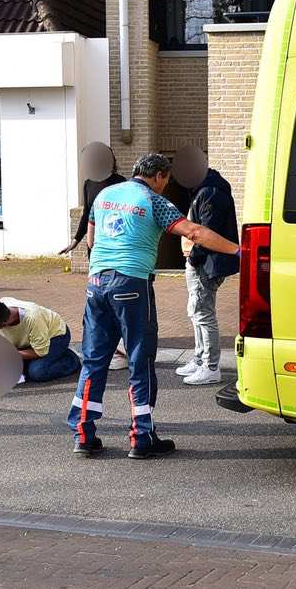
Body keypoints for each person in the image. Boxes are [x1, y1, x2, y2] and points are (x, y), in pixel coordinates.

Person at [68, 151, 238, 460]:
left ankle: (83, 434)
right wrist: (238, 250)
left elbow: (91, 241)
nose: (165, 186)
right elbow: (195, 232)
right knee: (140, 361)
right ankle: (141, 437)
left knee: (93, 361)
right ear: (158, 176)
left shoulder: (104, 194)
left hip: (96, 284)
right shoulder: (153, 200)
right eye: (166, 180)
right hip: (131, 285)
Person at [172, 145, 238, 387]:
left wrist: (192, 257)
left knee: (202, 313)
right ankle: (200, 358)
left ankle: (210, 366)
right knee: (196, 311)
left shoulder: (210, 192)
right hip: (202, 262)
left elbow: (207, 233)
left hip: (206, 264)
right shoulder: (203, 189)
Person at [0, 297, 79, 384]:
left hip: (56, 336)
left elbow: (40, 352)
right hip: (31, 339)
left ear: (3, 323)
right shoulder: (2, 305)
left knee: (37, 372)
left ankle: (71, 360)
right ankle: (55, 355)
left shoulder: (33, 319)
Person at [58, 142, 124, 257]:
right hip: (94, 241)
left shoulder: (120, 182)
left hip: (114, 240)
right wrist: (75, 241)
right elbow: (86, 214)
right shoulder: (88, 184)